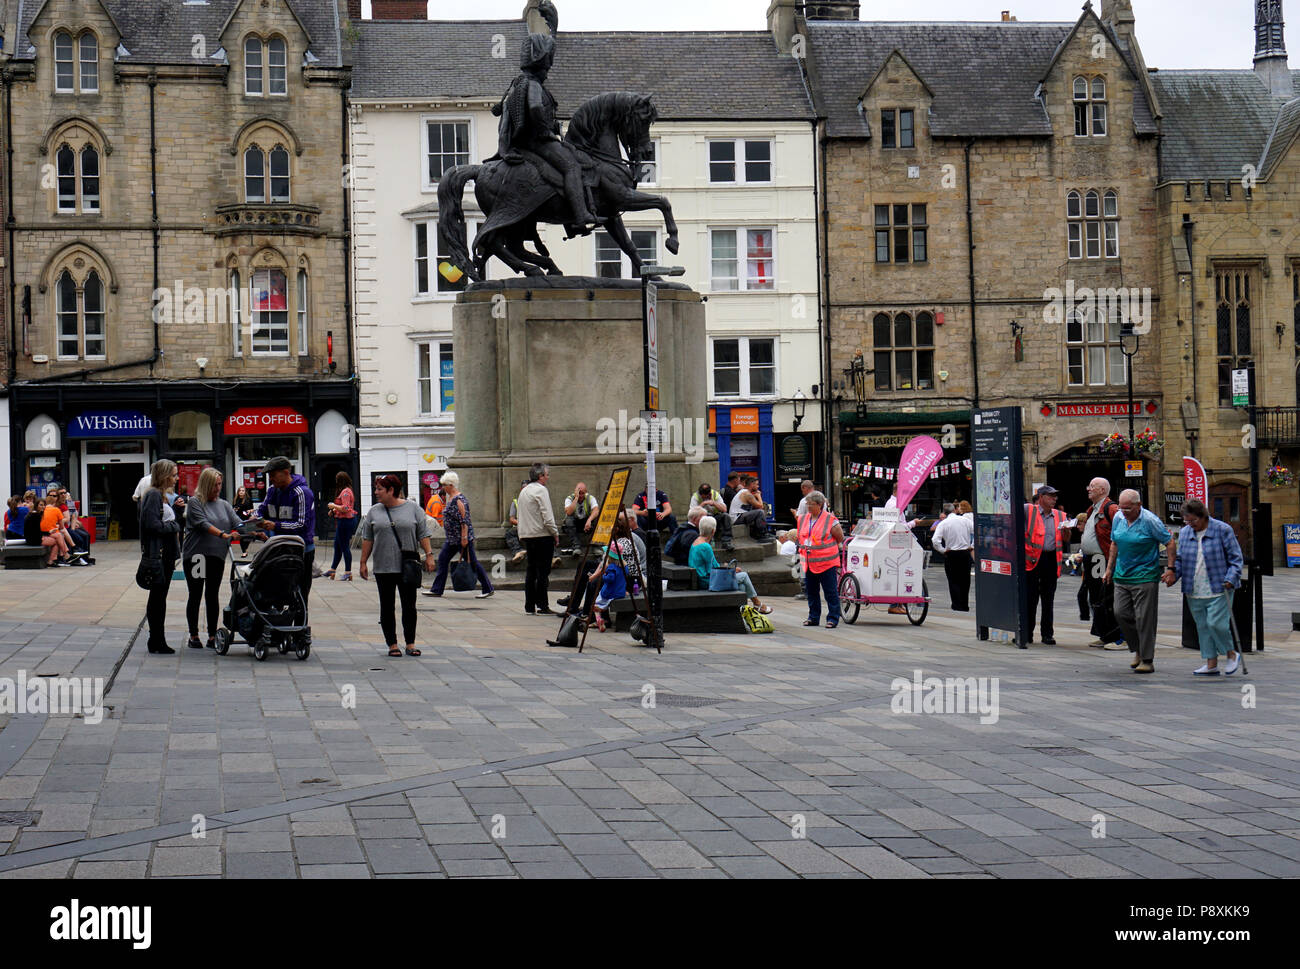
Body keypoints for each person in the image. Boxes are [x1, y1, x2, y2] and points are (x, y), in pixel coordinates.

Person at [360, 474, 436, 657]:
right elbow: (367, 539)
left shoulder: (413, 509)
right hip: (383, 566)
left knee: (409, 605)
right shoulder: (374, 512)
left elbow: (423, 534)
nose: (376, 492)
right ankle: (392, 644)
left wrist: (429, 556)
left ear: (391, 490)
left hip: (407, 565)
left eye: (379, 489)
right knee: (387, 606)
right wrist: (363, 562)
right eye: (376, 488)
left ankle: (410, 643)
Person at [1166, 498, 1244, 676]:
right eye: (1186, 521)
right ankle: (1211, 663)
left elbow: (1236, 559)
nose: (1190, 524)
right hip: (1194, 587)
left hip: (1219, 585)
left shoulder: (1222, 530)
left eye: (1193, 520)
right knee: (1203, 626)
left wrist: (1231, 578)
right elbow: (1180, 560)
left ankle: (1231, 654)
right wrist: (1172, 574)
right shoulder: (1185, 533)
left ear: (1203, 516)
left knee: (1216, 623)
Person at [1104, 489, 1171, 675]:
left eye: (1127, 508)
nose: (1123, 511)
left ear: (1138, 505)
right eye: (1121, 507)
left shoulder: (1151, 521)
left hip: (1145, 575)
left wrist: (1171, 569)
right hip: (1122, 574)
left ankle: (1147, 659)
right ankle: (1138, 649)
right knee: (1121, 613)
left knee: (1144, 618)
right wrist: (1109, 569)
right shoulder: (1118, 517)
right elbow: (1114, 543)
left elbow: (1170, 542)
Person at [183, 468, 243, 650]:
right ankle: (193, 634)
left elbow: (237, 522)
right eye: (215, 484)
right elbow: (203, 524)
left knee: (212, 594)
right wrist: (223, 535)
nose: (218, 488)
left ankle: (211, 635)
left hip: (216, 556)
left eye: (220, 484)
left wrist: (251, 528)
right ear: (206, 484)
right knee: (196, 593)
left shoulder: (224, 504)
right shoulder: (195, 502)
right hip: (197, 556)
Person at [1074, 477, 1124, 650]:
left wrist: (1112, 562)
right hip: (1091, 560)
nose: (1088, 488)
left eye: (1092, 486)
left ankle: (1119, 637)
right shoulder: (1092, 509)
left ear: (1102, 490)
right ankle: (1105, 634)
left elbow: (1119, 535)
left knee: (1106, 598)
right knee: (1095, 598)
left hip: (1101, 559)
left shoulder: (1111, 509)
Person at [427, 471, 495, 599]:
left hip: (460, 538)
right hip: (452, 538)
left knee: (473, 562)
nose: (443, 488)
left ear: (451, 485)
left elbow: (465, 520)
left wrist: (464, 537)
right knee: (442, 559)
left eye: (445, 485)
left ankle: (487, 588)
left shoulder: (459, 500)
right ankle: (437, 589)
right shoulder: (451, 498)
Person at [257, 456, 316, 598]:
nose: (270, 479)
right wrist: (257, 519)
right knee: (276, 590)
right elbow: (263, 509)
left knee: (301, 592)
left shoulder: (302, 493)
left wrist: (274, 526)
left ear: (285, 472)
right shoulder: (272, 491)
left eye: (273, 475)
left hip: (301, 550)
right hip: (277, 547)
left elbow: (301, 524)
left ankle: (301, 619)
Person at [139, 460, 181, 654]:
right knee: (158, 598)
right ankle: (156, 639)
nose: (176, 478)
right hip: (159, 555)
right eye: (173, 474)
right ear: (164, 476)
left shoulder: (161, 496)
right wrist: (174, 526)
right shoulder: (154, 495)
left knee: (159, 598)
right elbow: (152, 525)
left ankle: (157, 638)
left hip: (165, 554)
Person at [690, 517, 772, 614]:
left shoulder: (696, 542)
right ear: (713, 531)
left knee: (741, 586)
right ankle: (757, 604)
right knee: (744, 576)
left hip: (702, 579)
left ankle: (741, 612)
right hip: (708, 582)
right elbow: (714, 568)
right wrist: (730, 570)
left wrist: (727, 568)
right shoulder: (705, 546)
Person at [1023, 484, 1071, 644]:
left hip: (1051, 560)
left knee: (1048, 599)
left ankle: (1047, 634)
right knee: (1030, 598)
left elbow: (1066, 539)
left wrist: (1067, 532)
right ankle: (1027, 633)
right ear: (1041, 497)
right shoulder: (1029, 510)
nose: (1054, 499)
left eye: (1055, 496)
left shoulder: (1061, 515)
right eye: (1051, 496)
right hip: (1032, 560)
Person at [519, 462, 560, 616]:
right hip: (542, 536)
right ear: (540, 476)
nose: (548, 478)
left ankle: (529, 605)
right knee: (543, 572)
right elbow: (547, 516)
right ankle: (543, 604)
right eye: (547, 475)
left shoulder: (524, 491)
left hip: (528, 536)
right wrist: (555, 533)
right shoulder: (541, 490)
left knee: (531, 571)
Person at [797, 491, 843, 628]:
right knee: (811, 591)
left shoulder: (830, 520)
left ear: (820, 505)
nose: (808, 507)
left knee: (830, 592)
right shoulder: (803, 519)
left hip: (826, 562)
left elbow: (839, 537)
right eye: (807, 504)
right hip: (808, 562)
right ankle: (813, 617)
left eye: (811, 504)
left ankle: (833, 618)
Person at [931, 501, 974, 611]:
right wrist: (972, 546)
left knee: (953, 580)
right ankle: (964, 604)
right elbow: (978, 532)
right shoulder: (965, 521)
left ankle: (956, 604)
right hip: (965, 552)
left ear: (944, 513)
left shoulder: (943, 523)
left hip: (951, 553)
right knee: (965, 580)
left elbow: (935, 540)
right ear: (954, 510)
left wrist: (943, 550)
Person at [324, 472, 359, 581]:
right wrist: (334, 510)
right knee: (337, 545)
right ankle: (332, 570)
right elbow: (343, 508)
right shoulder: (347, 491)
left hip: (346, 521)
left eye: (337, 480)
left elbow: (346, 508)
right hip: (343, 520)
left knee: (344, 546)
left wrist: (334, 506)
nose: (336, 482)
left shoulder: (345, 492)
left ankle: (348, 572)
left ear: (341, 480)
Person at [41, 493, 86, 566]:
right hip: (46, 534)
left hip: (44, 533)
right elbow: (62, 526)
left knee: (58, 538)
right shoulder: (56, 510)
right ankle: (67, 554)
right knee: (60, 534)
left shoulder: (42, 511)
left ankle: (52, 561)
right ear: (54, 502)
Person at [689, 483, 735, 551]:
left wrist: (714, 503)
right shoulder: (696, 496)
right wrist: (703, 504)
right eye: (703, 497)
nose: (704, 498)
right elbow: (691, 514)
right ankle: (704, 541)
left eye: (706, 497)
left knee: (726, 516)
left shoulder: (715, 494)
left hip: (715, 517)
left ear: (709, 493)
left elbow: (724, 509)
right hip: (703, 519)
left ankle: (726, 542)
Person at [562, 482, 600, 553]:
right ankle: (576, 547)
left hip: (586, 524)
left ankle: (596, 547)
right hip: (574, 525)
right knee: (568, 519)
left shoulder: (590, 498)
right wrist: (576, 498)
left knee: (597, 518)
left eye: (582, 493)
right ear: (575, 492)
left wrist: (589, 520)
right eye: (579, 493)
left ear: (586, 492)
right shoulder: (569, 498)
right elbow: (568, 512)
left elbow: (596, 510)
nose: (580, 495)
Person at [729, 475, 769, 541]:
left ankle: (757, 534)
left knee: (757, 512)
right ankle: (762, 535)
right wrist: (758, 495)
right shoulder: (747, 494)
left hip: (738, 516)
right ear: (751, 484)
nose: (758, 486)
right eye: (757, 484)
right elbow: (760, 506)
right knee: (760, 512)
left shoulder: (744, 492)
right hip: (737, 518)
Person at [504, 480, 528, 564]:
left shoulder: (536, 500)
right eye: (523, 488)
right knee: (509, 533)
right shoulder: (516, 502)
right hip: (520, 527)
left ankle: (553, 557)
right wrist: (521, 524)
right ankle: (518, 551)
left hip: (533, 527)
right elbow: (512, 519)